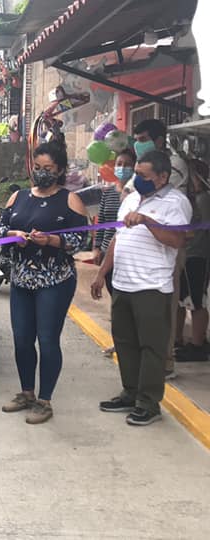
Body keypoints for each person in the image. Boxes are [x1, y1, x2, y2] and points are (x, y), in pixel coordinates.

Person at [92, 151, 191, 426]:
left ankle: (148, 402)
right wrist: (102, 273)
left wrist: (148, 221)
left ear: (162, 177)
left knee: (151, 346)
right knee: (125, 341)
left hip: (152, 285)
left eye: (145, 176)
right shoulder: (131, 198)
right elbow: (117, 237)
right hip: (123, 282)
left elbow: (176, 240)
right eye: (137, 174)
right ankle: (130, 392)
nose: (138, 179)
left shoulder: (176, 203)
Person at [0, 142, 88, 424]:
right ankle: (26, 392)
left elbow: (81, 240)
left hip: (54, 280)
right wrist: (12, 233)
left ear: (59, 169)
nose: (41, 173)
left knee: (47, 340)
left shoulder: (70, 200)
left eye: (47, 169)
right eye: (37, 168)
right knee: (22, 339)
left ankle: (45, 400)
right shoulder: (18, 197)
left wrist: (51, 240)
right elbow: (0, 230)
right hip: (22, 278)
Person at [133, 118, 189, 379]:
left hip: (165, 250)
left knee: (164, 306)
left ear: (157, 140)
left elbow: (166, 205)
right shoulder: (144, 173)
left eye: (143, 139)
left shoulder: (172, 168)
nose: (137, 144)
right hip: (140, 256)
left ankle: (164, 360)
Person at [174, 160, 210, 363]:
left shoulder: (203, 198)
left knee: (197, 301)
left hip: (198, 255)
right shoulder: (186, 198)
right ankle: (178, 339)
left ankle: (198, 344)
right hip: (186, 253)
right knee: (182, 299)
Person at [94, 149, 136, 296]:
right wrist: (97, 247)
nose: (122, 168)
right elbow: (101, 222)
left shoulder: (136, 194)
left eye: (127, 164)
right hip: (107, 252)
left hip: (127, 251)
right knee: (112, 289)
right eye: (119, 164)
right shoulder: (108, 193)